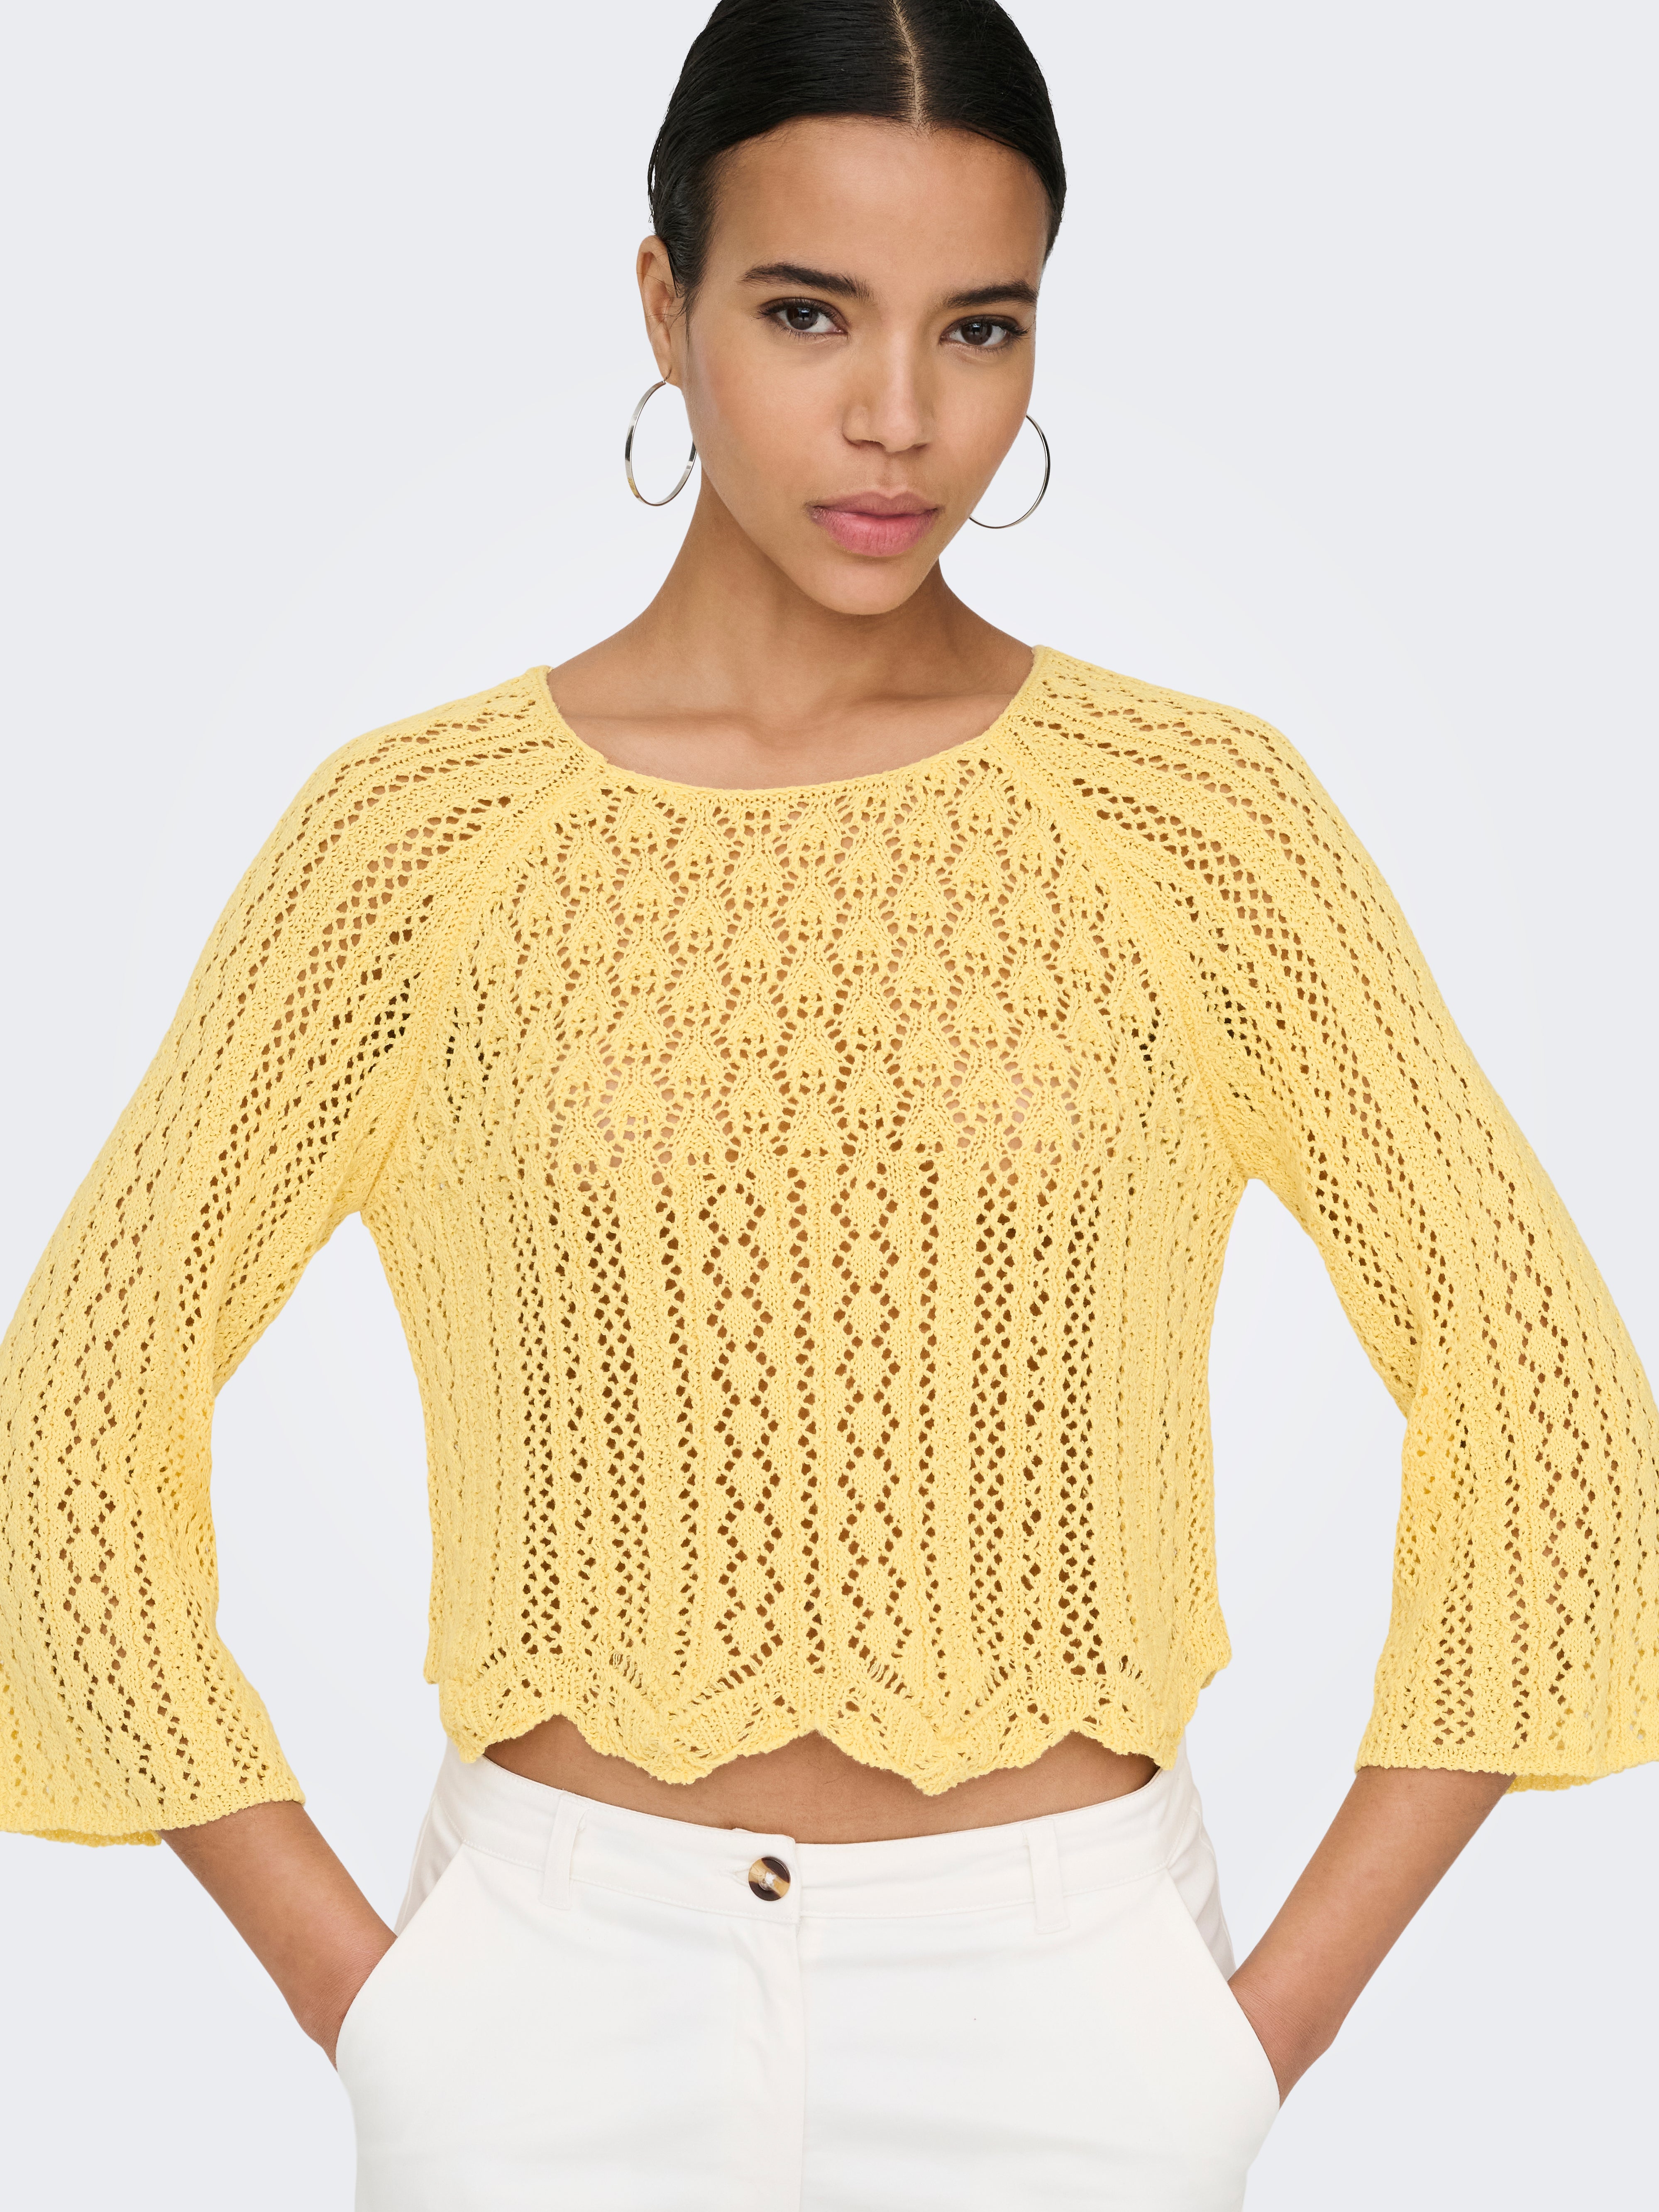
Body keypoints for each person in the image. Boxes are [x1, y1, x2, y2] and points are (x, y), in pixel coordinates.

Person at [2, 2, 1654, 2206]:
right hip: (544, 2006)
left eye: (980, 327)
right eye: (807, 314)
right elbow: (75, 1420)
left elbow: (1547, 1406)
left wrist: (1246, 2040)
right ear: (664, 307)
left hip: (1072, 2015)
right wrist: (377, 2002)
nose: (900, 418)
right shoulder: (413, 844)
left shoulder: (1200, 827)